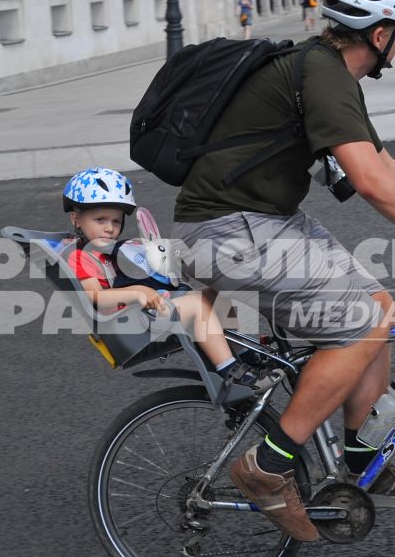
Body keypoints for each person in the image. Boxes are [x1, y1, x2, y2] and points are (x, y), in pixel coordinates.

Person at [173, 0, 395, 542]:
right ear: (378, 34)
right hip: (230, 232)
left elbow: (385, 165)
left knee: (379, 306)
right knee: (364, 322)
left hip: (261, 223)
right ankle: (268, 465)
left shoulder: (325, 72)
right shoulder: (321, 73)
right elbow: (371, 184)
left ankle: (361, 463)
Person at [62, 168, 257, 409]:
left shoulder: (114, 250)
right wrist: (138, 293)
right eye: (100, 220)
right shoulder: (83, 257)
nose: (110, 228)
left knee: (214, 295)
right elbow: (96, 298)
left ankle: (243, 352)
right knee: (198, 305)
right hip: (129, 323)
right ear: (76, 219)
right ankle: (230, 370)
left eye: (116, 220)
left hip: (146, 310)